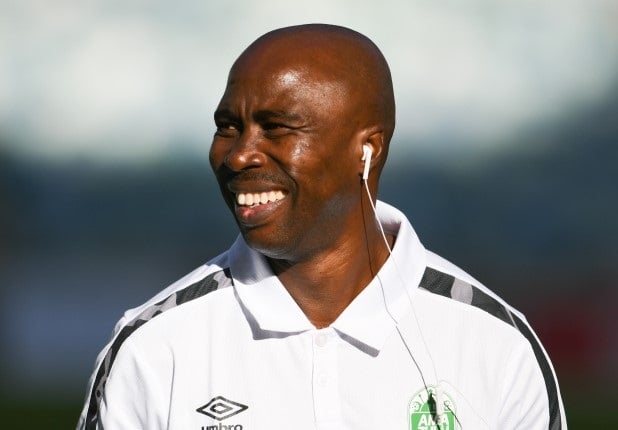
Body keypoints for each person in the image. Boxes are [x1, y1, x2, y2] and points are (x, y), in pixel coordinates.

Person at [77, 24, 566, 429]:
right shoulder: (154, 346)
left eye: (276, 127)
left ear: (366, 150)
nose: (240, 154)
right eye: (228, 126)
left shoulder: (497, 346)